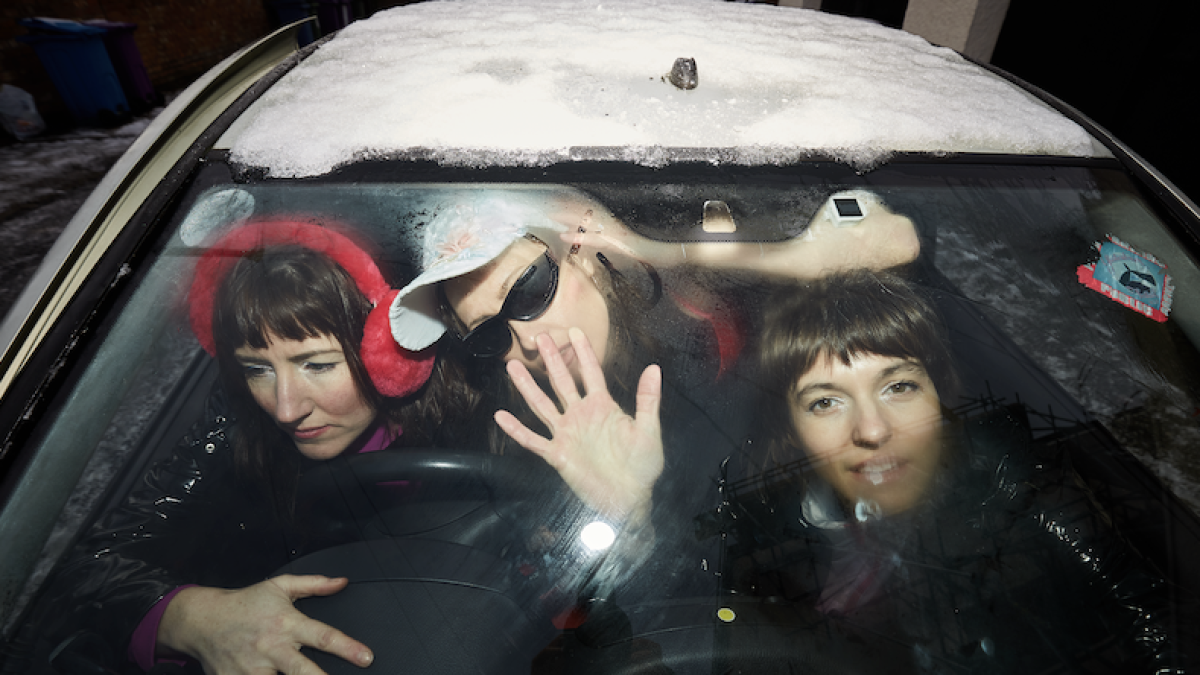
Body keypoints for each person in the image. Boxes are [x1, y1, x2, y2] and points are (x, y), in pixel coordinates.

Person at [37, 220, 453, 675]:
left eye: (316, 364)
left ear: (387, 354)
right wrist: (191, 617)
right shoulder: (236, 425)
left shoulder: (474, 414)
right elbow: (83, 573)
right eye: (257, 369)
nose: (285, 408)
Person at [719, 269, 1180, 672]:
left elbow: (1152, 618)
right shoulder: (767, 527)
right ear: (791, 429)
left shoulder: (1009, 484)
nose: (873, 430)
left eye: (899, 386)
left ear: (939, 396)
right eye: (825, 401)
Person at [385, 187, 922, 524]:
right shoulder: (511, 425)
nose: (524, 342)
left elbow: (893, 241)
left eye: (525, 291)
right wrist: (632, 516)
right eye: (487, 336)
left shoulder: (701, 323)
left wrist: (639, 246)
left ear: (585, 256)